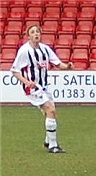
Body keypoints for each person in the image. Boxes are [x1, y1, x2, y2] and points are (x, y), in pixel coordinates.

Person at [10, 25, 73, 153]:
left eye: (37, 32)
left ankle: (48, 140)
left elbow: (57, 63)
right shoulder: (24, 51)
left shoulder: (45, 49)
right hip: (32, 88)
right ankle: (53, 146)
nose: (36, 34)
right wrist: (27, 82)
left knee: (51, 113)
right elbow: (14, 71)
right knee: (51, 110)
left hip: (44, 86)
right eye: (32, 32)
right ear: (28, 36)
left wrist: (67, 66)